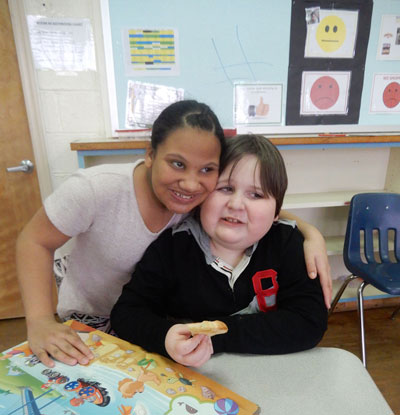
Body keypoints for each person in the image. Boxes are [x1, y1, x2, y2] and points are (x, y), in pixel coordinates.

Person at [16, 100, 330, 368]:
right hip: (95, 319)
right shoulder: (102, 194)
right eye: (177, 163)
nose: (191, 184)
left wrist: (307, 230)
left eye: (206, 170)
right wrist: (39, 320)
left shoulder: (198, 204)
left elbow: (256, 213)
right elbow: (34, 241)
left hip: (201, 347)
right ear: (150, 154)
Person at [110, 135, 328, 367]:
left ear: (276, 212)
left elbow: (309, 322)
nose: (235, 204)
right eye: (225, 188)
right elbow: (127, 313)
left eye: (256, 194)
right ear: (203, 196)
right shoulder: (173, 248)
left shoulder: (288, 243)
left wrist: (218, 338)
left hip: (270, 372)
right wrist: (165, 337)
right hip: (194, 377)